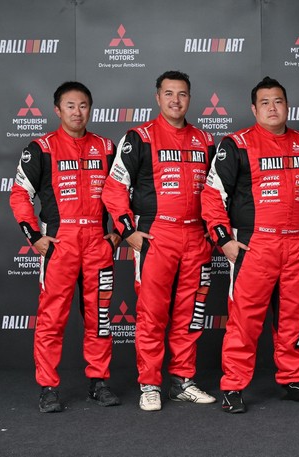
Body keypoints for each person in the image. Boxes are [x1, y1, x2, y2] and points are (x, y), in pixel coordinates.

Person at [201, 77, 299, 414]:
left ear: (287, 106)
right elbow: (212, 195)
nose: (272, 108)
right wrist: (224, 240)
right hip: (255, 246)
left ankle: (293, 379)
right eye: (265, 102)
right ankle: (233, 386)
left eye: (278, 101)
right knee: (244, 321)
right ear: (254, 109)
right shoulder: (236, 144)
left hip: (296, 245)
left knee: (294, 318)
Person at [102, 70, 217, 412]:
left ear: (190, 98)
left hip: (196, 237)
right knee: (152, 314)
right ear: (157, 97)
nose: (175, 100)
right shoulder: (139, 137)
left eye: (182, 94)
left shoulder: (205, 140)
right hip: (157, 236)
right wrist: (128, 231)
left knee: (190, 314)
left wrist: (214, 230)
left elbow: (217, 192)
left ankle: (182, 382)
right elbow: (114, 189)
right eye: (169, 94)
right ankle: (150, 384)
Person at [9, 81, 121, 412]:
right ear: (58, 110)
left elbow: (124, 192)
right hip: (60, 244)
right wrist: (34, 236)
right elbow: (20, 194)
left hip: (98, 244)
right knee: (52, 318)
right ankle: (48, 387)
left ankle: (99, 382)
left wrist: (118, 232)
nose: (77, 112)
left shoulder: (107, 147)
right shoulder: (41, 148)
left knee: (100, 317)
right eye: (70, 106)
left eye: (83, 105)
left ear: (91, 109)